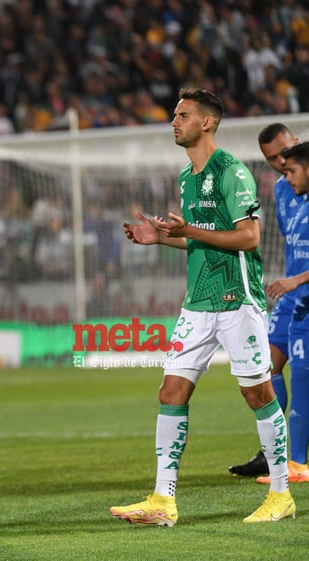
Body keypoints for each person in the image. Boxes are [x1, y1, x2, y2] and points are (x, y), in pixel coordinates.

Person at [112, 88, 294, 525]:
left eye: (183, 115)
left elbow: (248, 238)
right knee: (170, 392)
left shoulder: (232, 172)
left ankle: (281, 494)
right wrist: (163, 238)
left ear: (206, 123)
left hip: (238, 299)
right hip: (197, 303)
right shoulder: (185, 178)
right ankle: (163, 499)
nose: (174, 122)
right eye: (175, 115)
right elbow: (198, 237)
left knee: (257, 393)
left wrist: (189, 228)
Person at [229, 123, 301, 477]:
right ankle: (273, 451)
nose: (279, 161)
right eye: (271, 158)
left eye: (284, 153)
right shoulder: (280, 188)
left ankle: (297, 456)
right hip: (291, 292)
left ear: (297, 144)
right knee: (268, 366)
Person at [254, 141, 309, 485]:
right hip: (300, 299)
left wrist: (295, 281)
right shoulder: (292, 199)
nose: (283, 175)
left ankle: (297, 461)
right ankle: (295, 460)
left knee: (303, 375)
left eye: (290, 169)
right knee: (296, 371)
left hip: (300, 292)